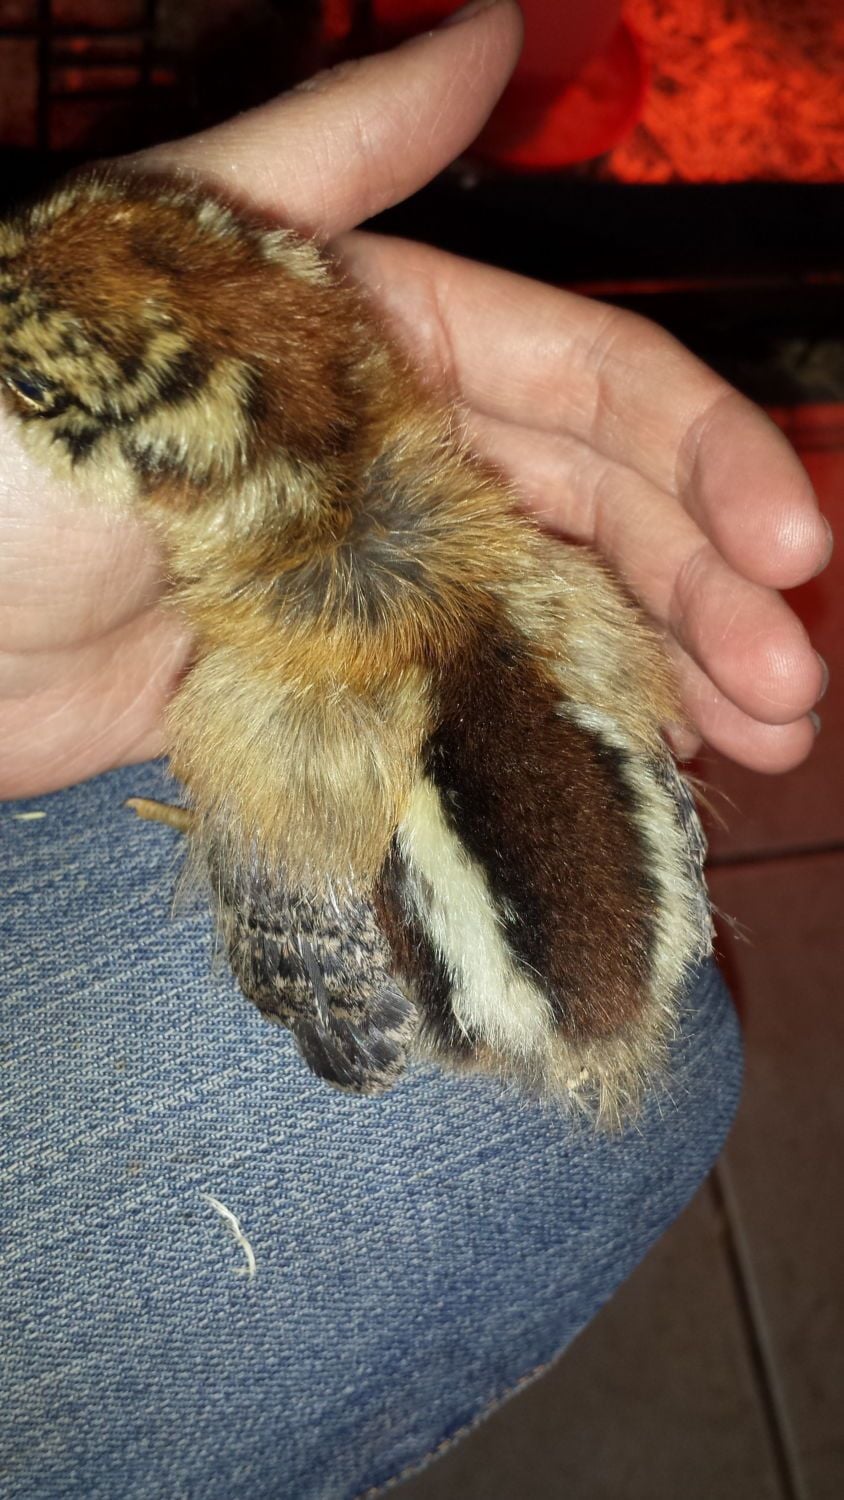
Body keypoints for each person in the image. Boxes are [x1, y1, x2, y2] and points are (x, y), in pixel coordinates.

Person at [0, 5, 829, 1496]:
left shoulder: (277, 713)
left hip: (386, 724)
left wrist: (293, 909)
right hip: (426, 662)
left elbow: (294, 831)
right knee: (665, 1075)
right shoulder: (473, 586)